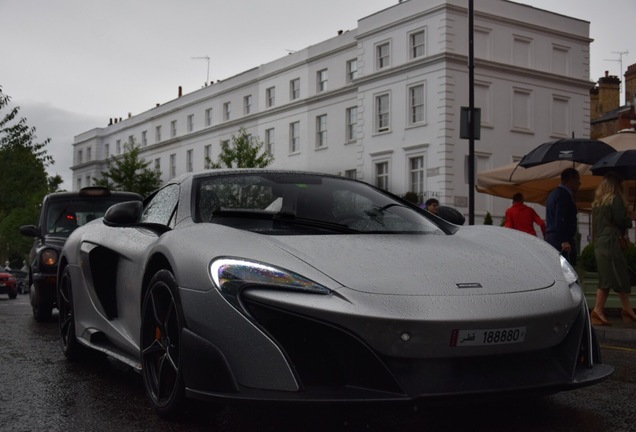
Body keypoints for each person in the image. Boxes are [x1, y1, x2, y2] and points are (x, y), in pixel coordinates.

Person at [590, 172, 636, 325]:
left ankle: (627, 310)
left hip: (602, 242)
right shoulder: (615, 200)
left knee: (614, 275)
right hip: (611, 243)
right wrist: (629, 216)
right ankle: (598, 310)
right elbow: (621, 221)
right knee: (612, 276)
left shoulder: (598, 203)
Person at [545, 168, 581, 265]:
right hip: (561, 242)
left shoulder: (553, 194)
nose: (579, 183)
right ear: (571, 180)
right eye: (577, 179)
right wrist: (564, 240)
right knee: (566, 272)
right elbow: (561, 219)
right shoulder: (564, 196)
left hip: (551, 238)